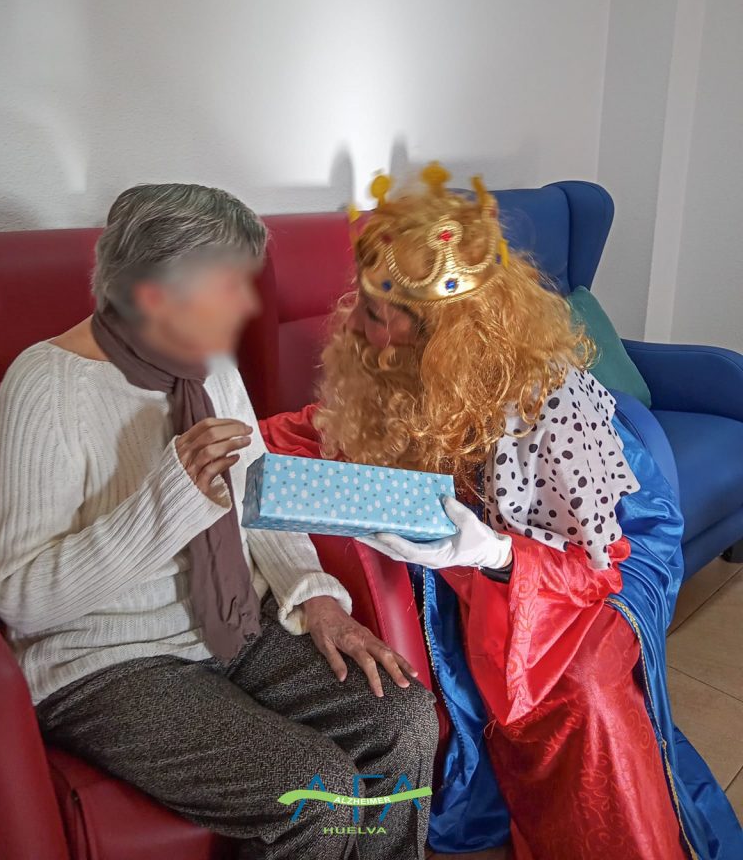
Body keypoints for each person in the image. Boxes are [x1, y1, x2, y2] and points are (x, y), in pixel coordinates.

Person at [260, 164, 743, 860]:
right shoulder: (388, 366)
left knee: (582, 697)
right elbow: (318, 432)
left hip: (599, 554)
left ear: (442, 330)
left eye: (376, 312)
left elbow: (598, 565)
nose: (352, 323)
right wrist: (229, 431)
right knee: (473, 664)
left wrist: (492, 554)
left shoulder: (549, 408)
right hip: (496, 559)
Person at [0, 182, 439, 860]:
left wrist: (316, 598)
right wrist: (169, 499)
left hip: (233, 625)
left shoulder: (210, 365)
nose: (246, 307)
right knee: (314, 795)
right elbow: (21, 600)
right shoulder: (44, 386)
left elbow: (260, 496)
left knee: (403, 719)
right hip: (107, 662)